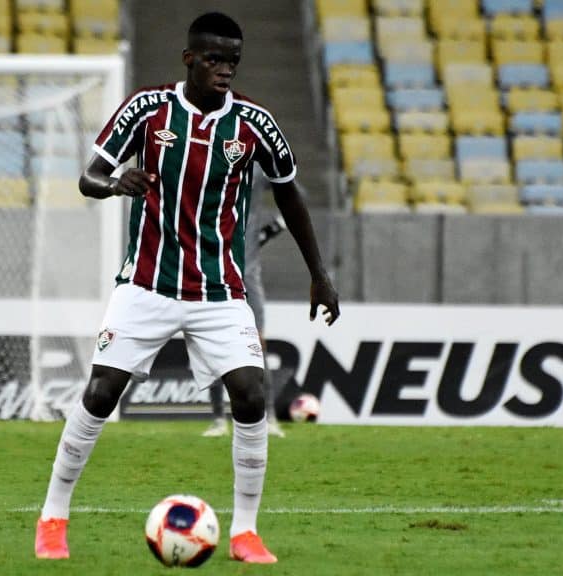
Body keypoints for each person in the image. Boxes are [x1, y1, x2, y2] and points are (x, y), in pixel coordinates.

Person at [34, 12, 340, 565]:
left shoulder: (254, 124)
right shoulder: (148, 110)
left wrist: (319, 273)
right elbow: (89, 176)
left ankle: (245, 533)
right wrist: (114, 184)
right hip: (146, 283)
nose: (225, 70)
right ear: (190, 59)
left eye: (233, 62)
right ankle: (53, 518)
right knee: (101, 393)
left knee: (251, 394)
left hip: (221, 290)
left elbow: (290, 194)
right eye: (216, 59)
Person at [203, 165, 287, 438]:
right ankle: (218, 419)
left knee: (258, 345)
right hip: (215, 274)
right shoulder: (213, 164)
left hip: (248, 277)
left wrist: (272, 229)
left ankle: (270, 417)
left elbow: (293, 189)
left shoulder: (259, 170)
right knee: (214, 345)